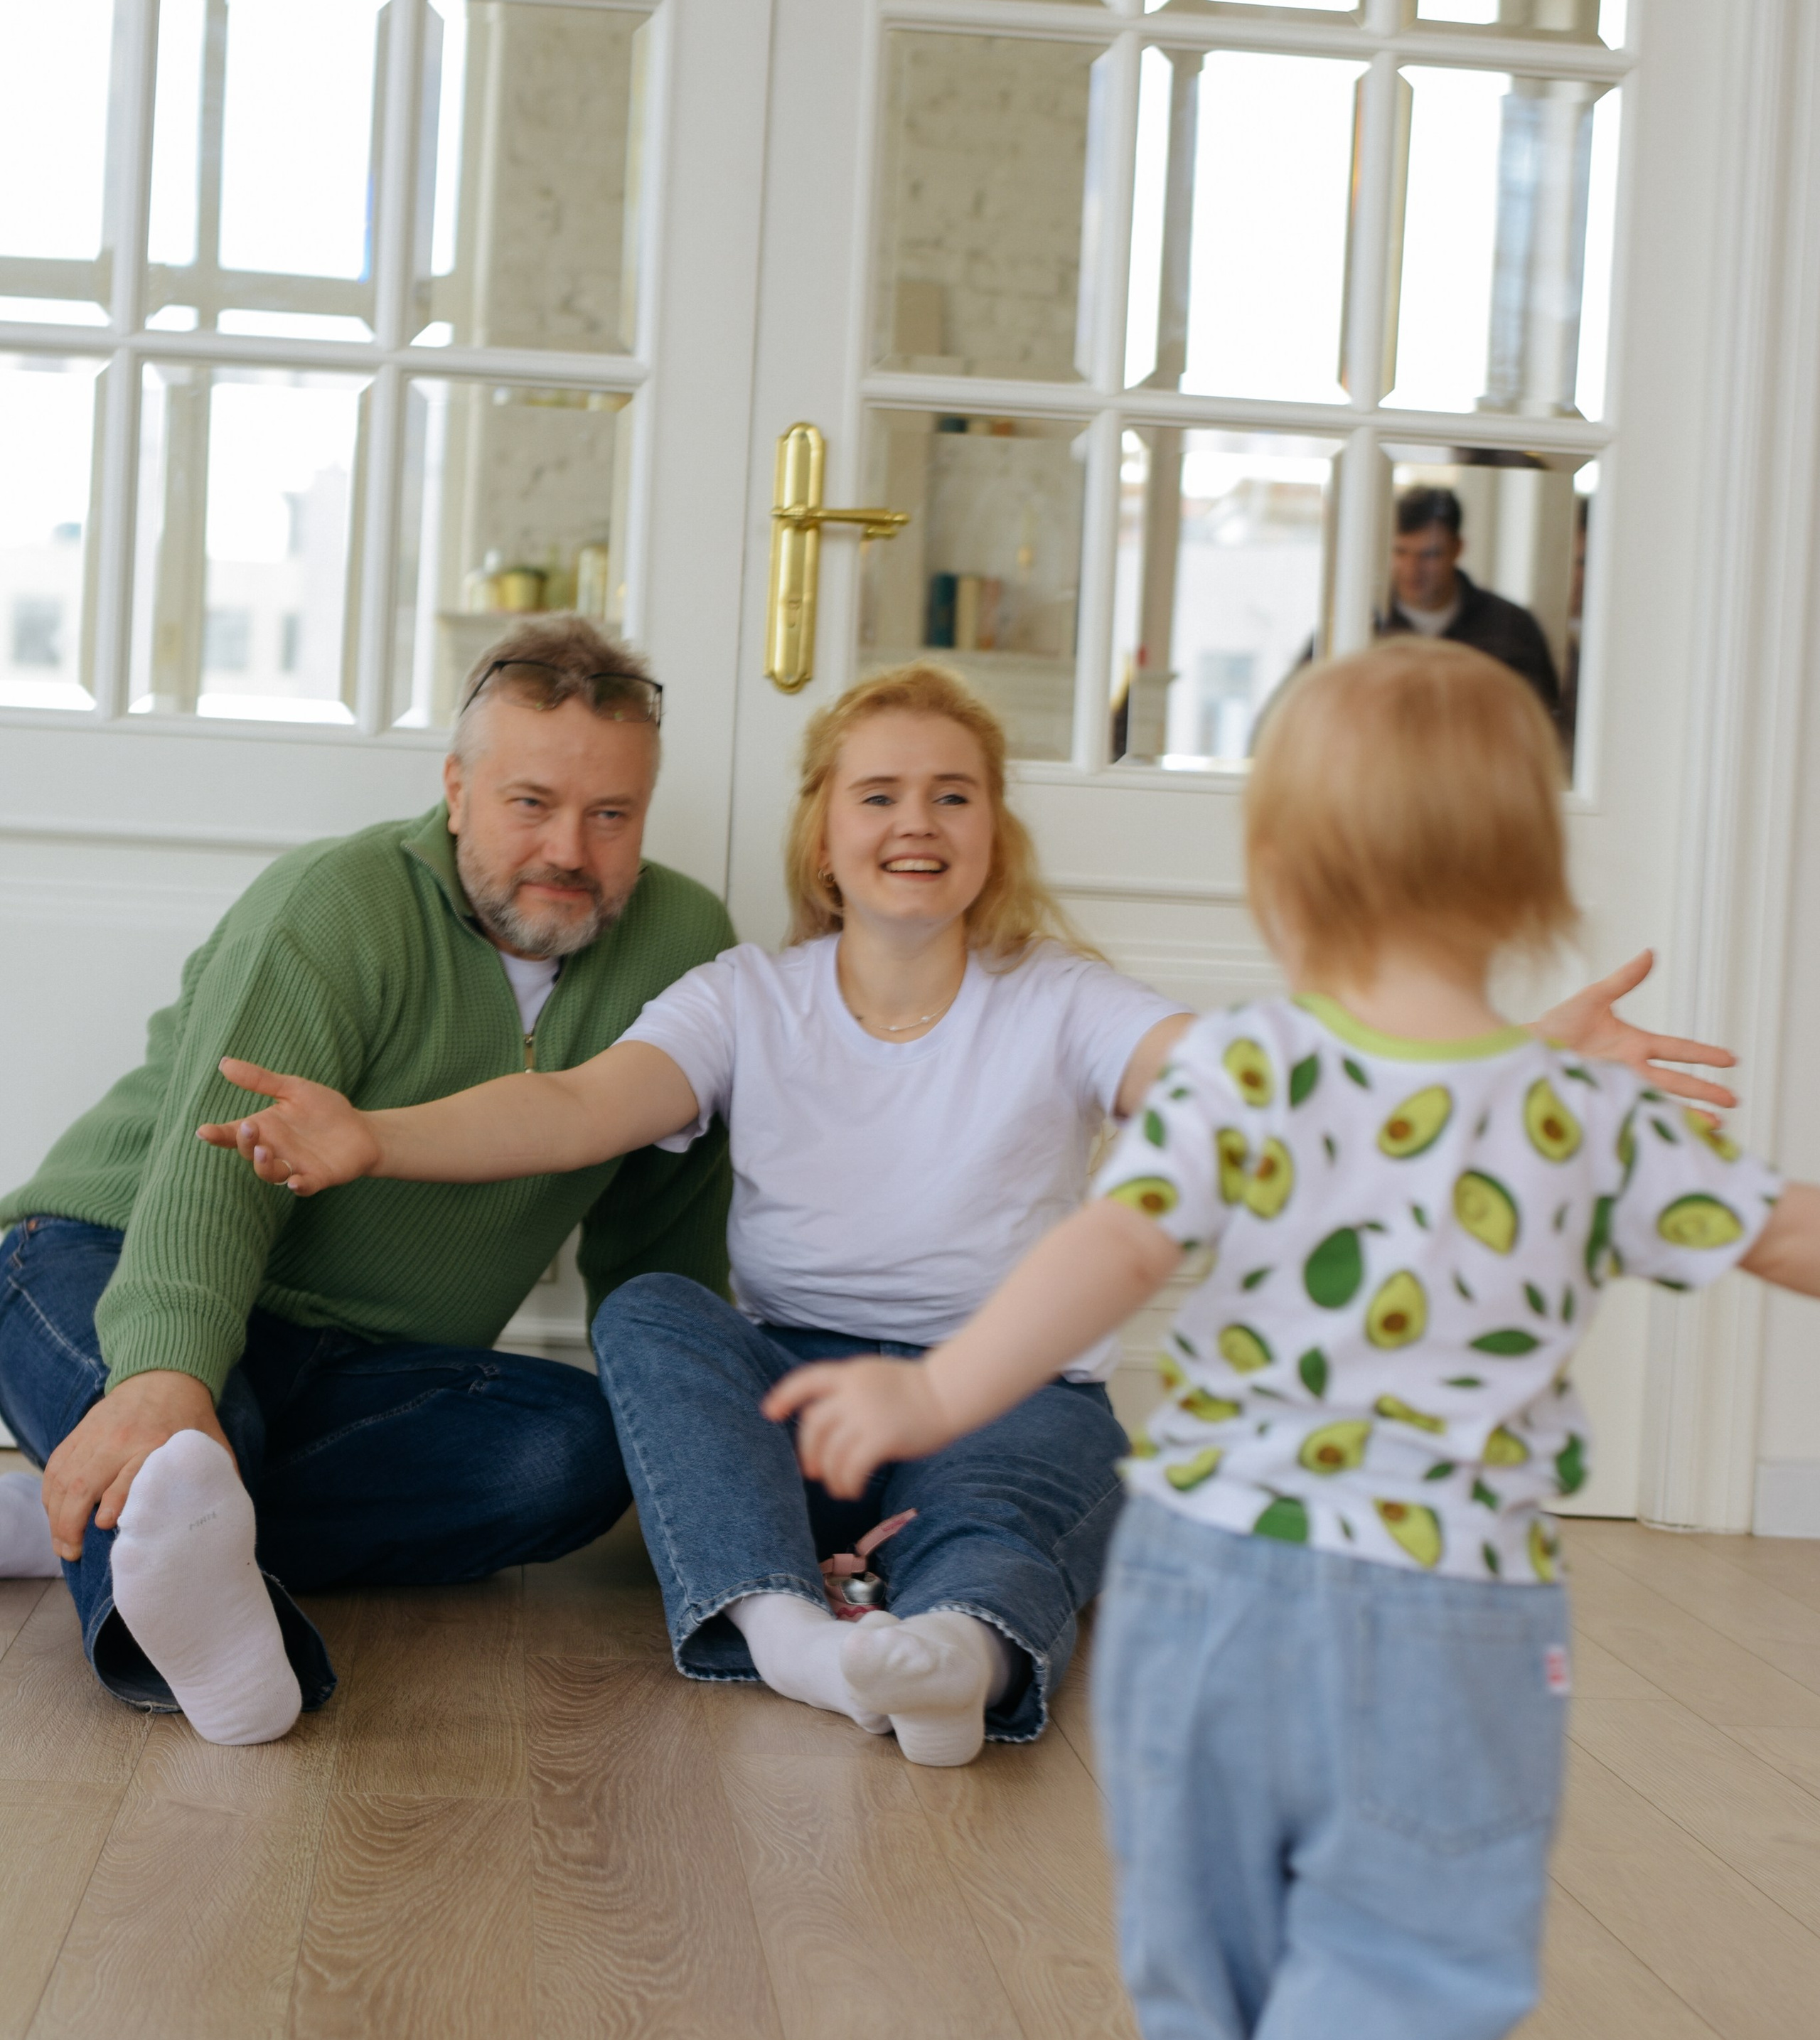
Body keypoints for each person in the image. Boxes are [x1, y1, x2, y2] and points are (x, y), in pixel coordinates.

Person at [761, 639, 1820, 2040]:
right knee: (1423, 1907)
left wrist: (938, 1386)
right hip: (1445, 1600)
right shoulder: (1582, 1115)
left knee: (1200, 1880)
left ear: (1276, 873)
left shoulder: (1245, 1072)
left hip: (1207, 1573)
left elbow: (1109, 1247)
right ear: (1531, 879)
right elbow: (1782, 1230)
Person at [196, 662, 1739, 1768]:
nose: (914, 821)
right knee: (657, 1316)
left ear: (993, 831)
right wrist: (371, 1138)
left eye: (953, 794)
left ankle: (959, 1663)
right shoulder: (745, 995)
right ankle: (793, 1638)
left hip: (1004, 1388)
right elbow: (572, 1108)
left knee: (1014, 1508)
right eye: (878, 794)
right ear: (824, 832)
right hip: (798, 1402)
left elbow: (1251, 1083)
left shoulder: (1057, 999)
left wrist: (1508, 1064)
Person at [0, 617, 734, 1744]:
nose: (568, 850)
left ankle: (73, 1513)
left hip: (365, 1363)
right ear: (456, 791)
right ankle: (198, 1632)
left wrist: (713, 1471)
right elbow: (213, 1175)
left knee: (578, 1453)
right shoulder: (337, 902)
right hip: (105, 1251)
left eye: (611, 815)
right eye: (530, 802)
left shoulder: (684, 942)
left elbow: (662, 1241)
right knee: (188, 1424)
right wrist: (164, 1375)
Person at [1381, 486, 1565, 744]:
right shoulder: (1367, 625)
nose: (1412, 569)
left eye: (1430, 555)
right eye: (1400, 552)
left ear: (1457, 548)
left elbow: (1543, 725)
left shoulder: (1512, 627)